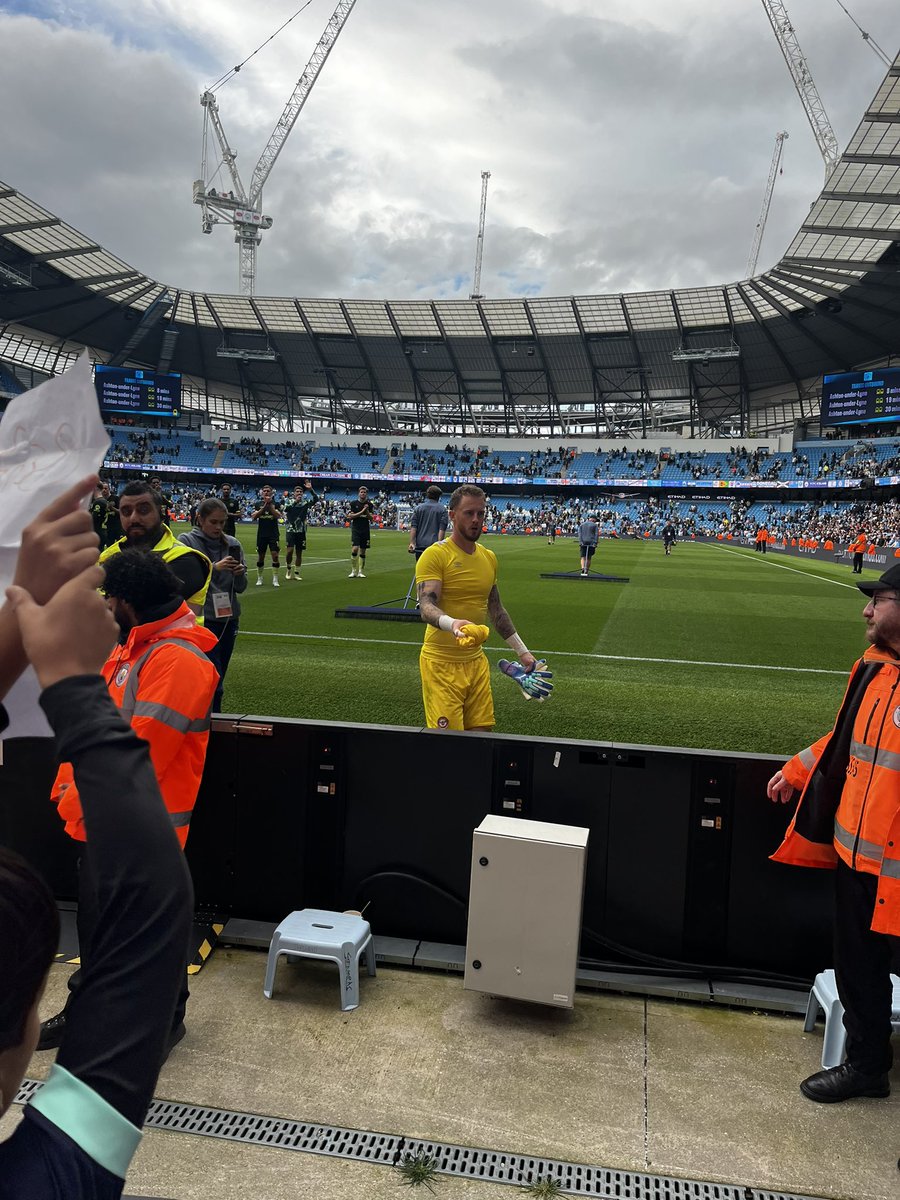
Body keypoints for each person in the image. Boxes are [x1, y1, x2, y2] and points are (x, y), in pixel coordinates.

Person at [0, 518, 194, 1195]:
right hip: (123, 826)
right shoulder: (48, 1179)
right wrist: (69, 683)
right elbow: (154, 911)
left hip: (127, 825)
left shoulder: (180, 656)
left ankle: (174, 1014)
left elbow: (149, 737)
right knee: (121, 941)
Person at [37, 550, 217, 1053]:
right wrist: (67, 789)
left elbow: (138, 755)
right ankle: (87, 1014)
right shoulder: (132, 646)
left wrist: (75, 803)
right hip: (104, 824)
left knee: (147, 936)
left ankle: (163, 1025)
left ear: (125, 602)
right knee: (99, 930)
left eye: (107, 597)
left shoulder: (177, 658)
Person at [767, 562, 900, 1104]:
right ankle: (867, 1068)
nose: (867, 610)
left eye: (880, 599)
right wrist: (797, 770)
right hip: (857, 857)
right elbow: (845, 736)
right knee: (859, 970)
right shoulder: (871, 669)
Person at [415, 484, 542, 731]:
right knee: (451, 748)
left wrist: (522, 652)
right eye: (469, 513)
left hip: (476, 663)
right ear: (452, 515)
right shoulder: (435, 555)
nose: (476, 520)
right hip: (441, 663)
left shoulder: (488, 557)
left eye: (481, 513)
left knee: (482, 738)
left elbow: (497, 610)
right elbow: (427, 605)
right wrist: (452, 624)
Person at [99, 480, 211, 615]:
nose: (133, 518)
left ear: (161, 512)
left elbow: (139, 610)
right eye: (126, 512)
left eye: (143, 510)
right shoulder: (107, 554)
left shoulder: (185, 559)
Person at [179, 498, 247, 711]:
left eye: (222, 522)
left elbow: (241, 587)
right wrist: (213, 568)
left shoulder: (233, 544)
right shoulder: (186, 541)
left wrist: (240, 573)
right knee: (210, 682)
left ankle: (211, 723)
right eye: (214, 522)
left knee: (219, 677)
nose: (218, 527)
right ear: (200, 519)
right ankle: (207, 725)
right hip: (201, 620)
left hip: (228, 619)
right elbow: (184, 583)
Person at [284, 480, 319, 580]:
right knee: (290, 551)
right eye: (297, 492)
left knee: (299, 552)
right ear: (294, 493)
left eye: (301, 492)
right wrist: (295, 502)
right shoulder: (289, 501)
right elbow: (285, 509)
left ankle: (297, 573)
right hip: (290, 529)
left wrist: (311, 489)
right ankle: (288, 568)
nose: (299, 493)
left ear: (303, 493)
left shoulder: (306, 503)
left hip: (301, 530)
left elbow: (316, 499)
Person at [251, 484, 283, 587]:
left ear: (272, 493)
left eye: (268, 491)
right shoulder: (258, 504)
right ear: (262, 493)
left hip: (273, 534)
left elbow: (278, 516)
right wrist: (264, 507)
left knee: (275, 555)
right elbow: (254, 517)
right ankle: (260, 578)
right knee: (261, 557)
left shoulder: (276, 504)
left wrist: (270, 506)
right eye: (264, 491)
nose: (266, 492)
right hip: (262, 534)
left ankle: (275, 578)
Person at [408, 485, 448, 560]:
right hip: (434, 546)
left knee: (421, 570)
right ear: (439, 497)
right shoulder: (443, 510)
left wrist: (412, 543)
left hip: (420, 546)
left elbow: (414, 527)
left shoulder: (418, 509)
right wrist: (440, 545)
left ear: (427, 495)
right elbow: (441, 530)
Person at [348, 485, 374, 577]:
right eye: (361, 492)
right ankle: (353, 571)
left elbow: (371, 519)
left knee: (363, 551)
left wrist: (366, 511)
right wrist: (362, 510)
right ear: (358, 493)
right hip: (356, 529)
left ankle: (360, 572)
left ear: (366, 494)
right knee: (355, 548)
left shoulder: (370, 505)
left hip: (365, 529)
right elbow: (351, 517)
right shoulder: (353, 503)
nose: (363, 493)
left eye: (364, 492)